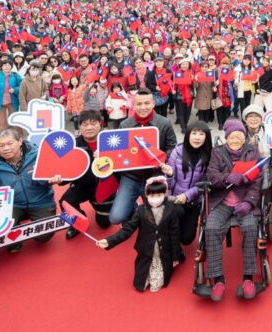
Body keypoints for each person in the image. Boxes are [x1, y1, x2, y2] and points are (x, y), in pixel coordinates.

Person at [204, 119, 263, 301]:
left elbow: (258, 180)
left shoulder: (252, 152)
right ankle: (218, 280)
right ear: (226, 136)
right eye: (232, 136)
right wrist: (228, 177)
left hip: (244, 201)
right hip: (222, 200)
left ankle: (248, 278)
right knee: (211, 228)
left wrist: (250, 203)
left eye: (239, 136)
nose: (236, 139)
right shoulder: (217, 152)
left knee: (250, 227)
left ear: (244, 137)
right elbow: (211, 175)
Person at [96, 177, 183, 292]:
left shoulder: (171, 210)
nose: (155, 199)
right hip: (146, 250)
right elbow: (128, 229)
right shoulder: (141, 210)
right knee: (140, 280)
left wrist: (176, 255)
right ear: (146, 194)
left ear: (165, 194)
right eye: (152, 195)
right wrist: (109, 241)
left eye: (159, 195)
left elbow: (174, 233)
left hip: (164, 251)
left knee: (157, 283)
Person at [110, 88, 178, 224]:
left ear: (153, 104)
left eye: (147, 103)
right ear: (133, 105)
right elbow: (117, 152)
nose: (143, 107)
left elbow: (172, 147)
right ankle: (133, 208)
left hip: (155, 175)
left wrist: (161, 158)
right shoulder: (125, 125)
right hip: (130, 177)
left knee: (159, 220)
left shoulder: (164, 123)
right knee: (116, 218)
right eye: (139, 104)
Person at [0, 128, 62, 253]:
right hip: (13, 204)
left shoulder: (40, 155)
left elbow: (58, 171)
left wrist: (51, 177)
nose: (6, 148)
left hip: (41, 202)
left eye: (10, 143)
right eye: (1, 145)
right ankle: (15, 241)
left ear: (20, 141)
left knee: (43, 237)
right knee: (2, 230)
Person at [58, 110, 114, 237]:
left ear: (101, 124)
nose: (89, 127)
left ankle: (117, 205)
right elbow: (68, 172)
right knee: (65, 202)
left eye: (93, 123)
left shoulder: (110, 142)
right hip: (81, 186)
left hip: (104, 187)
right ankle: (78, 221)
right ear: (79, 126)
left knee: (104, 224)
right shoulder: (73, 145)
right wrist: (60, 180)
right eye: (84, 124)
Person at [166, 120, 211, 245]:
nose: (197, 137)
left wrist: (187, 196)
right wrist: (169, 177)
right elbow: (168, 182)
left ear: (206, 137)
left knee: (186, 239)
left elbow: (206, 182)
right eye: (194, 133)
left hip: (194, 201)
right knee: (176, 213)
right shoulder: (177, 151)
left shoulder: (210, 155)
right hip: (175, 199)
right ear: (188, 135)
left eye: (202, 134)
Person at [0, 62, 22, 130]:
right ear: (1, 67)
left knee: (15, 120)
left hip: (13, 101)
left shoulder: (15, 75)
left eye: (8, 65)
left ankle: (17, 137)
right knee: (1, 122)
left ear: (11, 67)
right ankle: (3, 137)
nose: (6, 67)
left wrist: (15, 89)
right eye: (4, 65)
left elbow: (23, 86)